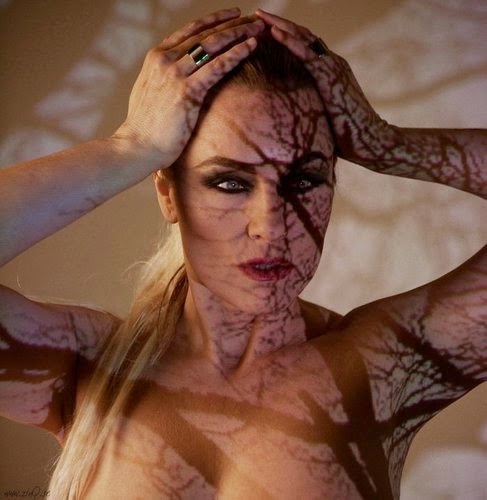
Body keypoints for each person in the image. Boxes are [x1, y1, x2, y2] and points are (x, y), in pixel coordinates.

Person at [0, 6, 485, 499]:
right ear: (168, 193)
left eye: (304, 180)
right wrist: (133, 145)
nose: (271, 226)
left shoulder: (380, 367)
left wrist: (385, 143)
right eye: (230, 183)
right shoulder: (86, 367)